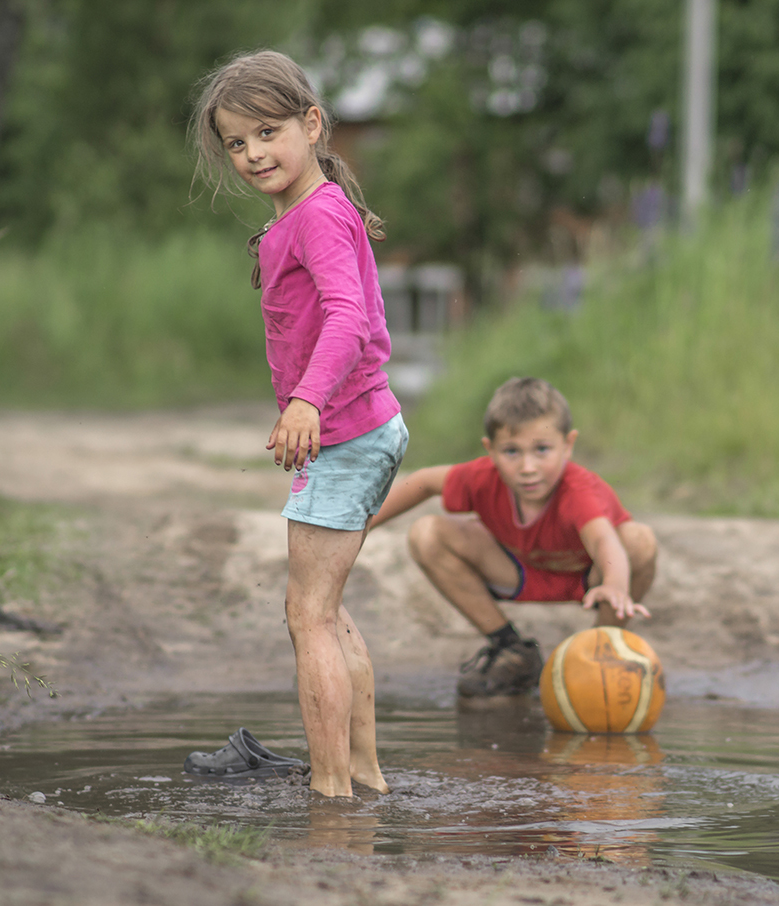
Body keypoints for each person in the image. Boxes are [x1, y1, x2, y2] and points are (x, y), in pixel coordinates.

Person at [182, 50, 407, 798]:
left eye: (267, 132)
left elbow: (349, 317)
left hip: (346, 433)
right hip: (358, 429)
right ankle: (363, 773)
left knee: (307, 615)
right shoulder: (303, 214)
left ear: (312, 125)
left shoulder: (316, 215)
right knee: (325, 611)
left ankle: (331, 792)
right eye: (236, 142)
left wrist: (307, 400)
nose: (252, 153)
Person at [370, 377, 657, 701]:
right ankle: (511, 649)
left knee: (638, 540)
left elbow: (604, 540)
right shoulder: (483, 478)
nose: (527, 467)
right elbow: (423, 481)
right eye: (511, 451)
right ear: (491, 450)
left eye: (542, 449)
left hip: (590, 581)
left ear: (568, 445)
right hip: (516, 572)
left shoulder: (577, 489)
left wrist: (615, 586)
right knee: (427, 534)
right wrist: (360, 527)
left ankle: (601, 649)